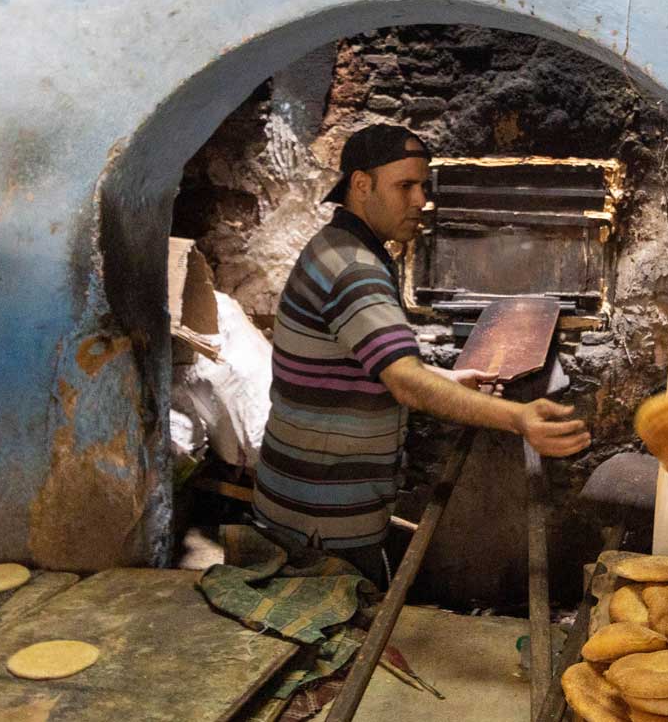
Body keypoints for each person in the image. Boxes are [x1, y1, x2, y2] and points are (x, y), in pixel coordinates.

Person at [251, 124, 590, 581]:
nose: (421, 200)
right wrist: (518, 419)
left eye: (423, 186)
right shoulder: (354, 270)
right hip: (321, 522)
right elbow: (405, 382)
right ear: (361, 185)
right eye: (405, 186)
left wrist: (447, 378)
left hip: (300, 500)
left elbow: (364, 361)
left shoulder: (335, 246)